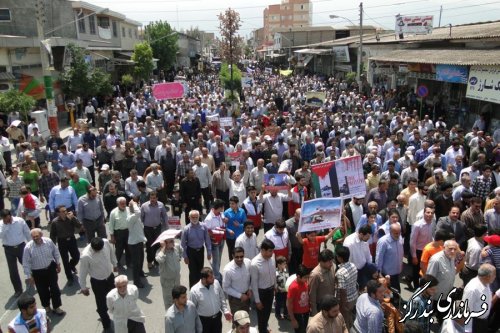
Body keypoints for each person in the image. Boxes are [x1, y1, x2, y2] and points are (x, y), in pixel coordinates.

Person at [22, 228, 65, 315]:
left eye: (37, 236)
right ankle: (46, 307)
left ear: (41, 235)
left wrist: (58, 263)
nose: (35, 238)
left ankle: (57, 307)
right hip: (38, 273)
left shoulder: (48, 241)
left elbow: (55, 252)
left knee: (55, 288)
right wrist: (29, 276)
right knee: (42, 291)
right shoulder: (28, 247)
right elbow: (26, 262)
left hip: (50, 269)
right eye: (33, 237)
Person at [79, 237, 117, 332]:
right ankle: (106, 324)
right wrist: (83, 288)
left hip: (110, 277)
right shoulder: (85, 256)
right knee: (101, 304)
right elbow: (82, 273)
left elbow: (112, 253)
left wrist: (115, 264)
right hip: (98, 282)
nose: (99, 251)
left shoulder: (105, 242)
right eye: (97, 251)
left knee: (114, 298)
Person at [427, 240, 462, 323]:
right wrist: (429, 297)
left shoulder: (451, 257)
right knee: (427, 318)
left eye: (455, 249)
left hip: (446, 295)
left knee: (443, 319)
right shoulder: (436, 260)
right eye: (450, 248)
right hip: (435, 297)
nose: (453, 251)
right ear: (444, 248)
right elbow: (429, 278)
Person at [190, 267, 232, 333]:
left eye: (213, 276)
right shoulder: (194, 291)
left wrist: (225, 310)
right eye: (211, 277)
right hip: (203, 322)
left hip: (217, 320)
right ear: (203, 279)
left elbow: (222, 298)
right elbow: (192, 310)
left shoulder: (216, 283)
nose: (213, 278)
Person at [0, 209, 31, 296]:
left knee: (27, 265)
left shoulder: (19, 221)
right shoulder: (1, 224)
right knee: (13, 270)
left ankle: (32, 279)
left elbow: (27, 232)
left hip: (21, 247)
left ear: (10, 215)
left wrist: (30, 244)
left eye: (7, 218)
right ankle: (18, 289)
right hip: (9, 249)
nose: (6, 220)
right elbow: (0, 236)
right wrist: (6, 226)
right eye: (4, 219)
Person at [49, 205, 81, 285]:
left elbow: (79, 226)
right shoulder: (55, 222)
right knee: (65, 260)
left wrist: (73, 218)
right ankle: (69, 277)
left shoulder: (70, 218)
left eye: (66, 210)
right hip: (62, 241)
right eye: (63, 211)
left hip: (71, 239)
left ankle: (72, 265)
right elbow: (53, 235)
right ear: (58, 213)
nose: (65, 212)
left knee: (76, 256)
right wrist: (52, 246)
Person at [250, 238, 276, 333]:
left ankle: (264, 328)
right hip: (261, 293)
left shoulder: (272, 257)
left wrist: (275, 286)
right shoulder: (255, 263)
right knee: (261, 316)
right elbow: (254, 284)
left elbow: (273, 273)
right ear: (263, 250)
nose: (272, 253)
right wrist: (257, 301)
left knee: (267, 313)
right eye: (270, 251)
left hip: (271, 290)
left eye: (272, 251)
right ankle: (262, 330)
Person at [180, 210, 212, 287]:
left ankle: (200, 287)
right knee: (193, 272)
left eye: (196, 217)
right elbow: (183, 244)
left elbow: (207, 240)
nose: (194, 219)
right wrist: (185, 256)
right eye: (193, 217)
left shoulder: (203, 226)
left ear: (199, 217)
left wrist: (209, 252)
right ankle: (193, 289)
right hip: (191, 252)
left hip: (200, 251)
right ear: (189, 217)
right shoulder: (186, 229)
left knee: (200, 271)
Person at [461, 263, 496, 332]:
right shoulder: (472, 289)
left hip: (483, 321)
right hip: (475, 323)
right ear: (487, 277)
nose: (495, 277)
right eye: (494, 275)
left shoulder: (486, 283)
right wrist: (468, 330)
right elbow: (467, 310)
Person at [140, 191, 168, 269]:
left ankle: (156, 261)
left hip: (158, 228)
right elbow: (141, 218)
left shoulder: (161, 205)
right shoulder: (144, 206)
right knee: (149, 246)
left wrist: (166, 227)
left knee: (158, 245)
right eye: (151, 198)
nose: (152, 199)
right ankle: (149, 262)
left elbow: (165, 216)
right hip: (148, 229)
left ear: (157, 198)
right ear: (149, 198)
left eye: (154, 198)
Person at [343, 225, 375, 291]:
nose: (368, 239)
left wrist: (370, 268)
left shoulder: (365, 240)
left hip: (365, 269)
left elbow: (368, 255)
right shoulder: (349, 243)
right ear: (361, 234)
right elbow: (348, 261)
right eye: (367, 237)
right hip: (355, 272)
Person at [222, 246, 252, 314]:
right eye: (237, 257)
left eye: (241, 256)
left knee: (246, 318)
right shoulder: (228, 270)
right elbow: (226, 288)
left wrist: (250, 288)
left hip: (247, 296)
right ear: (232, 256)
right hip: (235, 300)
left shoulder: (248, 263)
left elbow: (251, 277)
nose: (239, 259)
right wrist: (240, 295)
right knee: (237, 322)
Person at [334, 246, 358, 329]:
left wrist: (342, 306)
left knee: (344, 321)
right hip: (354, 297)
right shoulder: (353, 265)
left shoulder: (340, 273)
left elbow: (342, 291)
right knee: (350, 316)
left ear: (340, 258)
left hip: (346, 301)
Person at [375, 223, 404, 292]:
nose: (398, 235)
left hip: (396, 272)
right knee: (389, 294)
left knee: (395, 292)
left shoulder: (399, 238)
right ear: (390, 232)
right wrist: (379, 272)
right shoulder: (383, 242)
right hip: (387, 274)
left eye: (399, 233)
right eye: (396, 233)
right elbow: (379, 257)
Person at [156, 237, 182, 310]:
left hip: (177, 279)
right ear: (165, 243)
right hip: (167, 282)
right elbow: (159, 259)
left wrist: (179, 257)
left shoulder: (176, 247)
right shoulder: (160, 252)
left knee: (177, 298)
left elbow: (181, 251)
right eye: (171, 241)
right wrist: (163, 248)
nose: (173, 242)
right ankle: (170, 318)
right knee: (169, 301)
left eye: (173, 240)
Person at [204, 199, 227, 282]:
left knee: (219, 258)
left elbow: (223, 223)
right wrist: (215, 232)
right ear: (219, 208)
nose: (223, 208)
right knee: (216, 259)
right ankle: (216, 277)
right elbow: (207, 232)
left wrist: (225, 222)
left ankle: (216, 272)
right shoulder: (209, 218)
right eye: (222, 207)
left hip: (221, 239)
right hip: (214, 241)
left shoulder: (221, 214)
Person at [127, 200, 147, 288]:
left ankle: (140, 272)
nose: (137, 207)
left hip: (139, 241)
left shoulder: (135, 217)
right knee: (136, 263)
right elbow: (138, 212)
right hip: (134, 244)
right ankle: (136, 281)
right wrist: (134, 204)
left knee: (141, 259)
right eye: (135, 207)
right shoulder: (131, 218)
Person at [287, 264, 311, 333]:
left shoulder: (305, 282)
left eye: (307, 277)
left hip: (306, 312)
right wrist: (293, 319)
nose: (307, 279)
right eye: (305, 277)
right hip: (297, 314)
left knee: (304, 330)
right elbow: (289, 304)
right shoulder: (293, 287)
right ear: (298, 276)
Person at [108, 197, 131, 268]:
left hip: (128, 232)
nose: (124, 205)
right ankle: (116, 263)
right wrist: (112, 236)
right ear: (118, 204)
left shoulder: (129, 209)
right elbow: (111, 225)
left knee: (129, 249)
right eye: (122, 204)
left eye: (125, 203)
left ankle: (129, 263)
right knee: (118, 250)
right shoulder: (113, 212)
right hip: (118, 233)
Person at [225, 196, 247, 260]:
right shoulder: (226, 212)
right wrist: (228, 230)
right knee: (231, 252)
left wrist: (239, 225)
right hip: (230, 237)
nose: (231, 205)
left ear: (237, 204)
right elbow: (223, 225)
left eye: (233, 203)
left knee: (240, 252)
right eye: (230, 203)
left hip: (240, 236)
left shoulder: (242, 211)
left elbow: (245, 223)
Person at [275, 255, 289, 320]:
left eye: (285, 263)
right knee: (278, 303)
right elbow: (275, 283)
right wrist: (278, 289)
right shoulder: (276, 272)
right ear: (279, 265)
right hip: (279, 292)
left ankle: (286, 314)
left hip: (286, 291)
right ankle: (278, 314)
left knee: (286, 303)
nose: (285, 265)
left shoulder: (286, 270)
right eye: (284, 264)